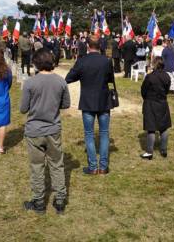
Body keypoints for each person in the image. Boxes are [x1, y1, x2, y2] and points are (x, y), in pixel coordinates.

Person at [20, 49, 71, 215]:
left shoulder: (30, 82)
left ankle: (39, 201)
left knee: (37, 166)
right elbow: (65, 104)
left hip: (34, 130)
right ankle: (60, 200)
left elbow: (23, 109)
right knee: (57, 164)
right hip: (53, 129)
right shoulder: (60, 82)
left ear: (36, 63)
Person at [65, 35, 115, 175]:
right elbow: (110, 79)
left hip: (88, 101)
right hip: (104, 101)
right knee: (104, 133)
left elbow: (69, 78)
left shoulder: (82, 61)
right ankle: (103, 167)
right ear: (100, 46)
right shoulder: (106, 61)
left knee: (89, 134)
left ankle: (93, 167)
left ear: (88, 46)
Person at [140, 57, 171, 159]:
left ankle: (149, 152)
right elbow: (167, 90)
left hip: (151, 103)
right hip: (162, 103)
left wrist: (147, 98)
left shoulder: (150, 77)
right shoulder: (167, 76)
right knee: (163, 127)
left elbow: (143, 91)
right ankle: (163, 150)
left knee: (151, 128)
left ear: (155, 64)